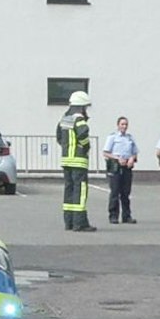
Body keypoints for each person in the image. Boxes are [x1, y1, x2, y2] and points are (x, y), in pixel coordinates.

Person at [56, 90, 96, 233]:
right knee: (80, 191)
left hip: (66, 160)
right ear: (82, 106)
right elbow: (83, 134)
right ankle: (80, 223)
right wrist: (85, 146)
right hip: (78, 161)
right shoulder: (79, 119)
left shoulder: (65, 118)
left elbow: (59, 137)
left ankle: (69, 222)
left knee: (69, 190)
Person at [102, 116, 138, 224]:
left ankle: (126, 216)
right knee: (115, 192)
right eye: (122, 124)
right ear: (118, 125)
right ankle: (113, 216)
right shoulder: (113, 137)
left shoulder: (130, 138)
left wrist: (132, 158)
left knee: (126, 193)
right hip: (116, 167)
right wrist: (118, 158)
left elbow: (135, 152)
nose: (124, 126)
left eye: (126, 124)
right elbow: (105, 152)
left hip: (127, 167)